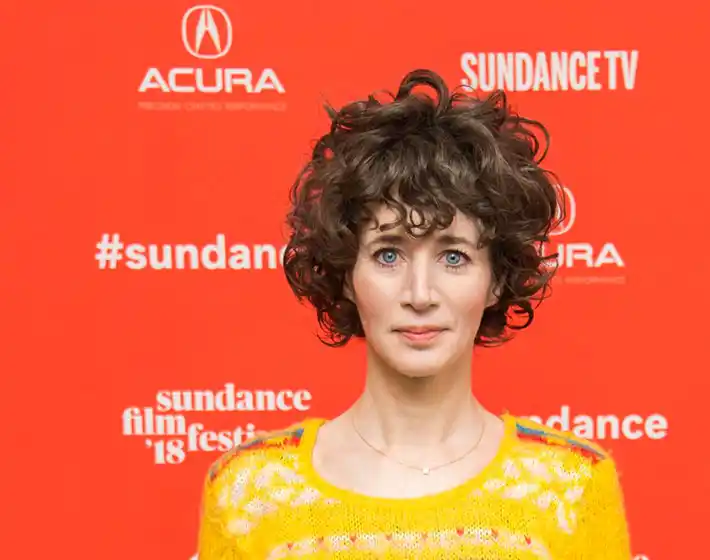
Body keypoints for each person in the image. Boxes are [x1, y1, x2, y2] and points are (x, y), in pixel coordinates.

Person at [197, 68, 632, 559]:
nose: (420, 294)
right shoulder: (250, 492)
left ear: (495, 279)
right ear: (346, 273)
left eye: (454, 257)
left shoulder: (572, 486)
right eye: (388, 254)